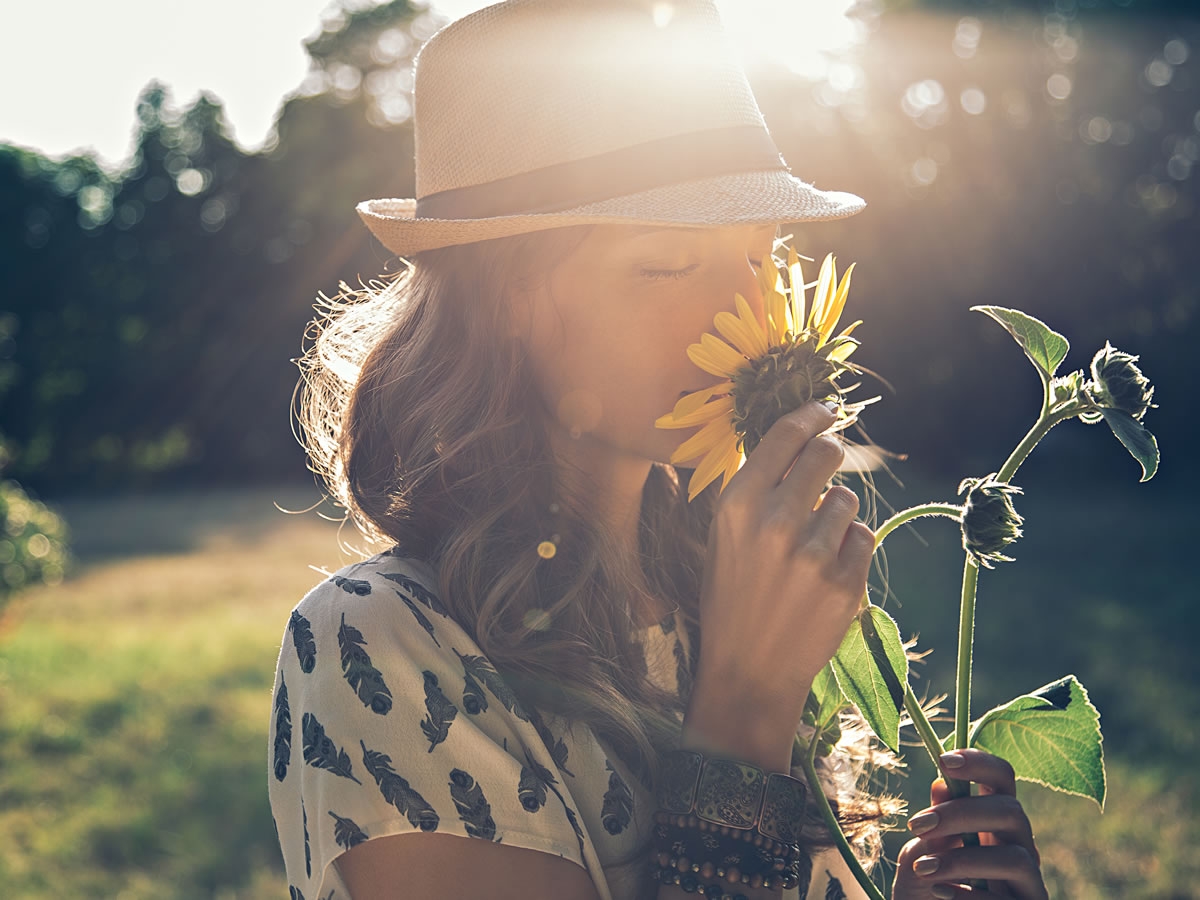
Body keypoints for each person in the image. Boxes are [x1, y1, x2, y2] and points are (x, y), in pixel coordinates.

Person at [267, 2, 1050, 899]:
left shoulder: (706, 593)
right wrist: (747, 705)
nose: (743, 318)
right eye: (666, 266)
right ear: (507, 300)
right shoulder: (382, 645)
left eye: (761, 258)